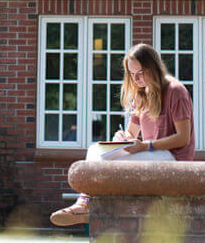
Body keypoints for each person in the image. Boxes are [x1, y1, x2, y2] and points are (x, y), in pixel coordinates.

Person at [49, 43, 195, 227]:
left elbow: (183, 137)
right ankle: (85, 205)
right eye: (132, 74)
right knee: (95, 151)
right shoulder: (141, 94)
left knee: (110, 167)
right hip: (151, 152)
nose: (136, 79)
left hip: (174, 158)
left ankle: (87, 209)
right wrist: (122, 137)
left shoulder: (175, 91)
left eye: (141, 73)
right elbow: (131, 132)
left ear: (153, 68)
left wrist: (146, 145)